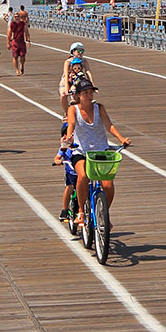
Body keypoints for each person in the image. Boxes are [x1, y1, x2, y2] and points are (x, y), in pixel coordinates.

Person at [62, 78, 131, 233]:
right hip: (81, 151)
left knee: (108, 185)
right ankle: (80, 211)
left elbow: (109, 125)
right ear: (78, 95)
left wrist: (122, 139)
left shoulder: (99, 108)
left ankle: (103, 213)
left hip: (101, 151)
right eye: (85, 92)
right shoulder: (73, 109)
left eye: (91, 92)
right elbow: (71, 125)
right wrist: (68, 137)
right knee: (83, 176)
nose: (89, 95)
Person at [59, 42, 91, 109]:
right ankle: (66, 113)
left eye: (82, 51)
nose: (80, 53)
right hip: (67, 81)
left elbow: (88, 72)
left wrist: (92, 85)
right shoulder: (68, 62)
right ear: (73, 51)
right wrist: (67, 89)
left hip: (78, 81)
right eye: (78, 51)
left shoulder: (84, 61)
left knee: (82, 93)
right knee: (63, 95)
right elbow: (66, 74)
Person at [7, 8, 29, 76]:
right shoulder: (12, 24)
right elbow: (9, 33)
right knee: (15, 56)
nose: (16, 18)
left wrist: (28, 40)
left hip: (22, 41)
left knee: (23, 56)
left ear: (20, 17)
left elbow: (26, 32)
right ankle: (16, 70)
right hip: (15, 42)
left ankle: (21, 65)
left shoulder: (23, 24)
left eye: (17, 17)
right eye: (15, 17)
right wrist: (8, 43)